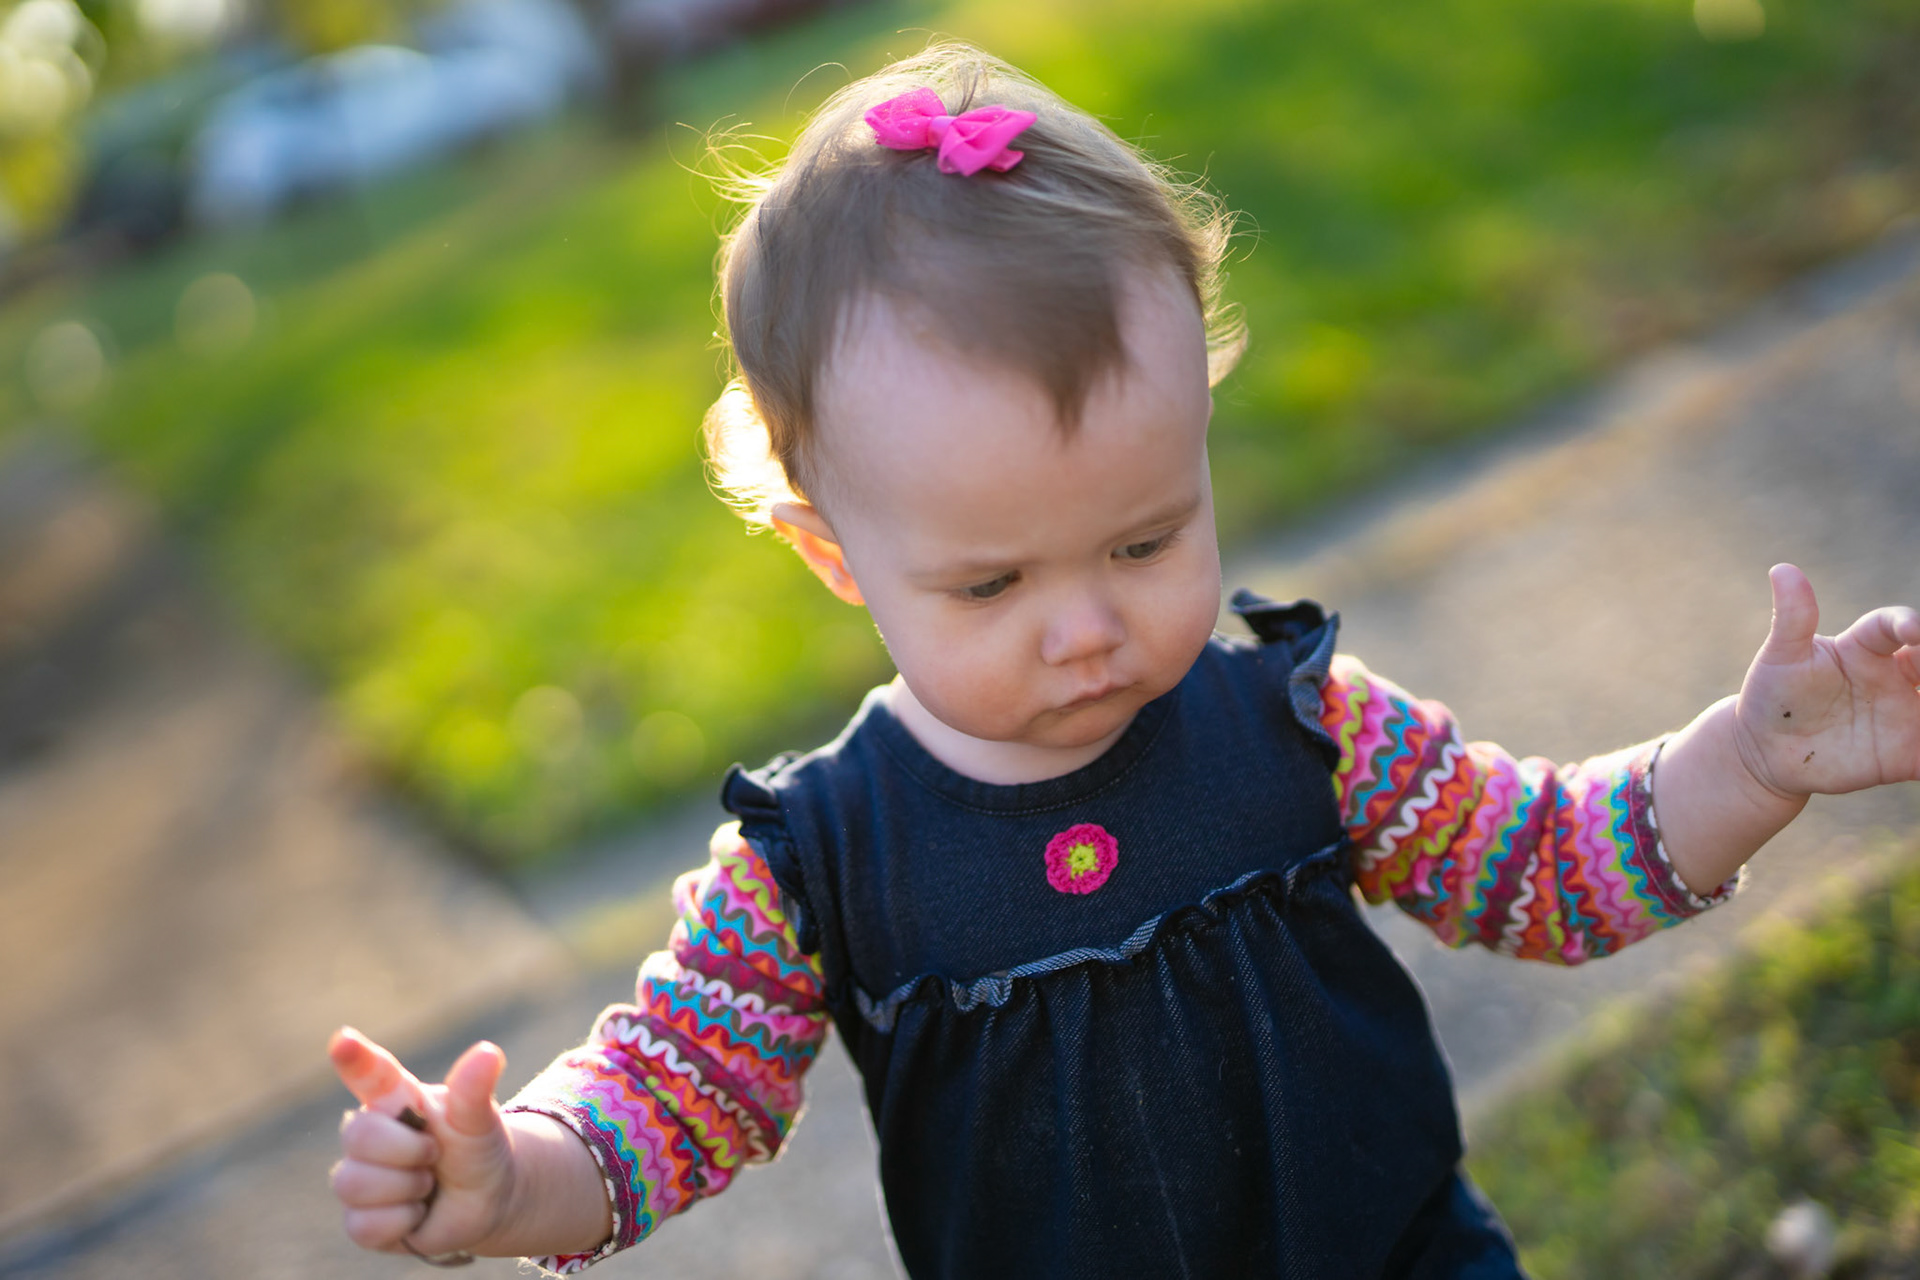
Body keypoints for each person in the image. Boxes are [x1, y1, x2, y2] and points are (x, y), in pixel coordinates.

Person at [325, 41, 1920, 1278]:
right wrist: (511, 1179)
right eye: (992, 582)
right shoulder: (818, 867)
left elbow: (1548, 864)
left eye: (1146, 542)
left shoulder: (1302, 724)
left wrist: (1750, 760)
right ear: (834, 557)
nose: (1086, 625)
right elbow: (672, 1095)